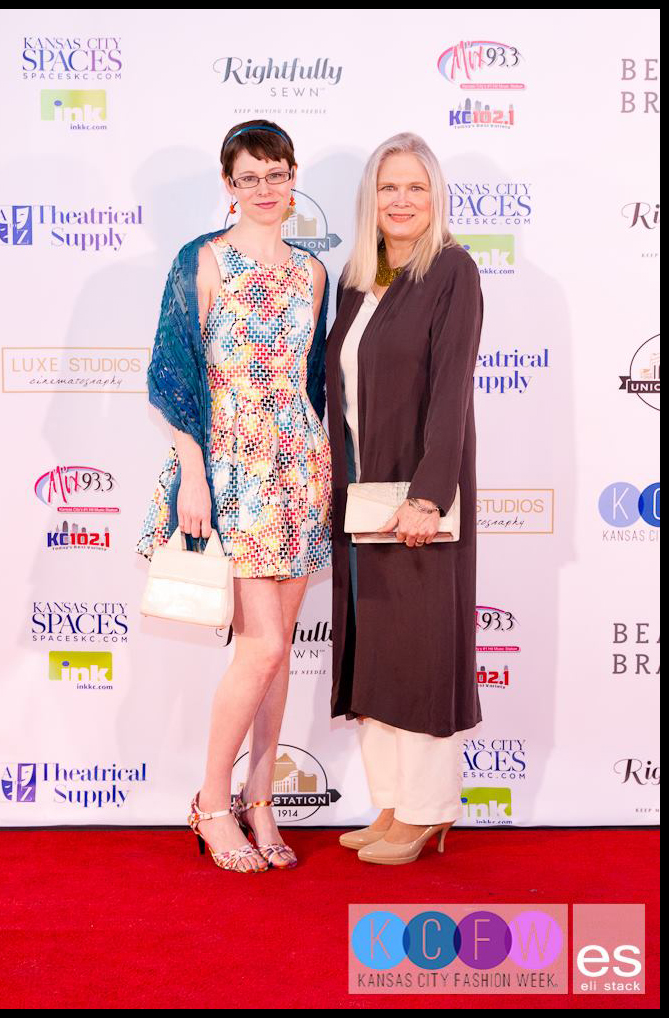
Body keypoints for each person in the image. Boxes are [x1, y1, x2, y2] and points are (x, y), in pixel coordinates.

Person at [136, 119, 331, 872]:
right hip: (231, 470)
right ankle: (211, 802)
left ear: (293, 177)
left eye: (275, 174)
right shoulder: (204, 260)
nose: (264, 189)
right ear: (228, 186)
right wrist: (193, 470)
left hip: (297, 467)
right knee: (262, 648)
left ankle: (260, 799)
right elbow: (173, 372)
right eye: (248, 177)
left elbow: (310, 381)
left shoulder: (312, 273)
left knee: (277, 655)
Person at [325, 132, 483, 865]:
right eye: (388, 186)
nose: (400, 200)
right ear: (371, 197)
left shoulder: (451, 270)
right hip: (362, 494)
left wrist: (429, 496)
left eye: (415, 186)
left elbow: (452, 390)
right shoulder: (356, 279)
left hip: (416, 495)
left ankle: (427, 811)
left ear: (435, 196)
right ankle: (390, 804)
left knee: (420, 651)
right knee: (377, 652)